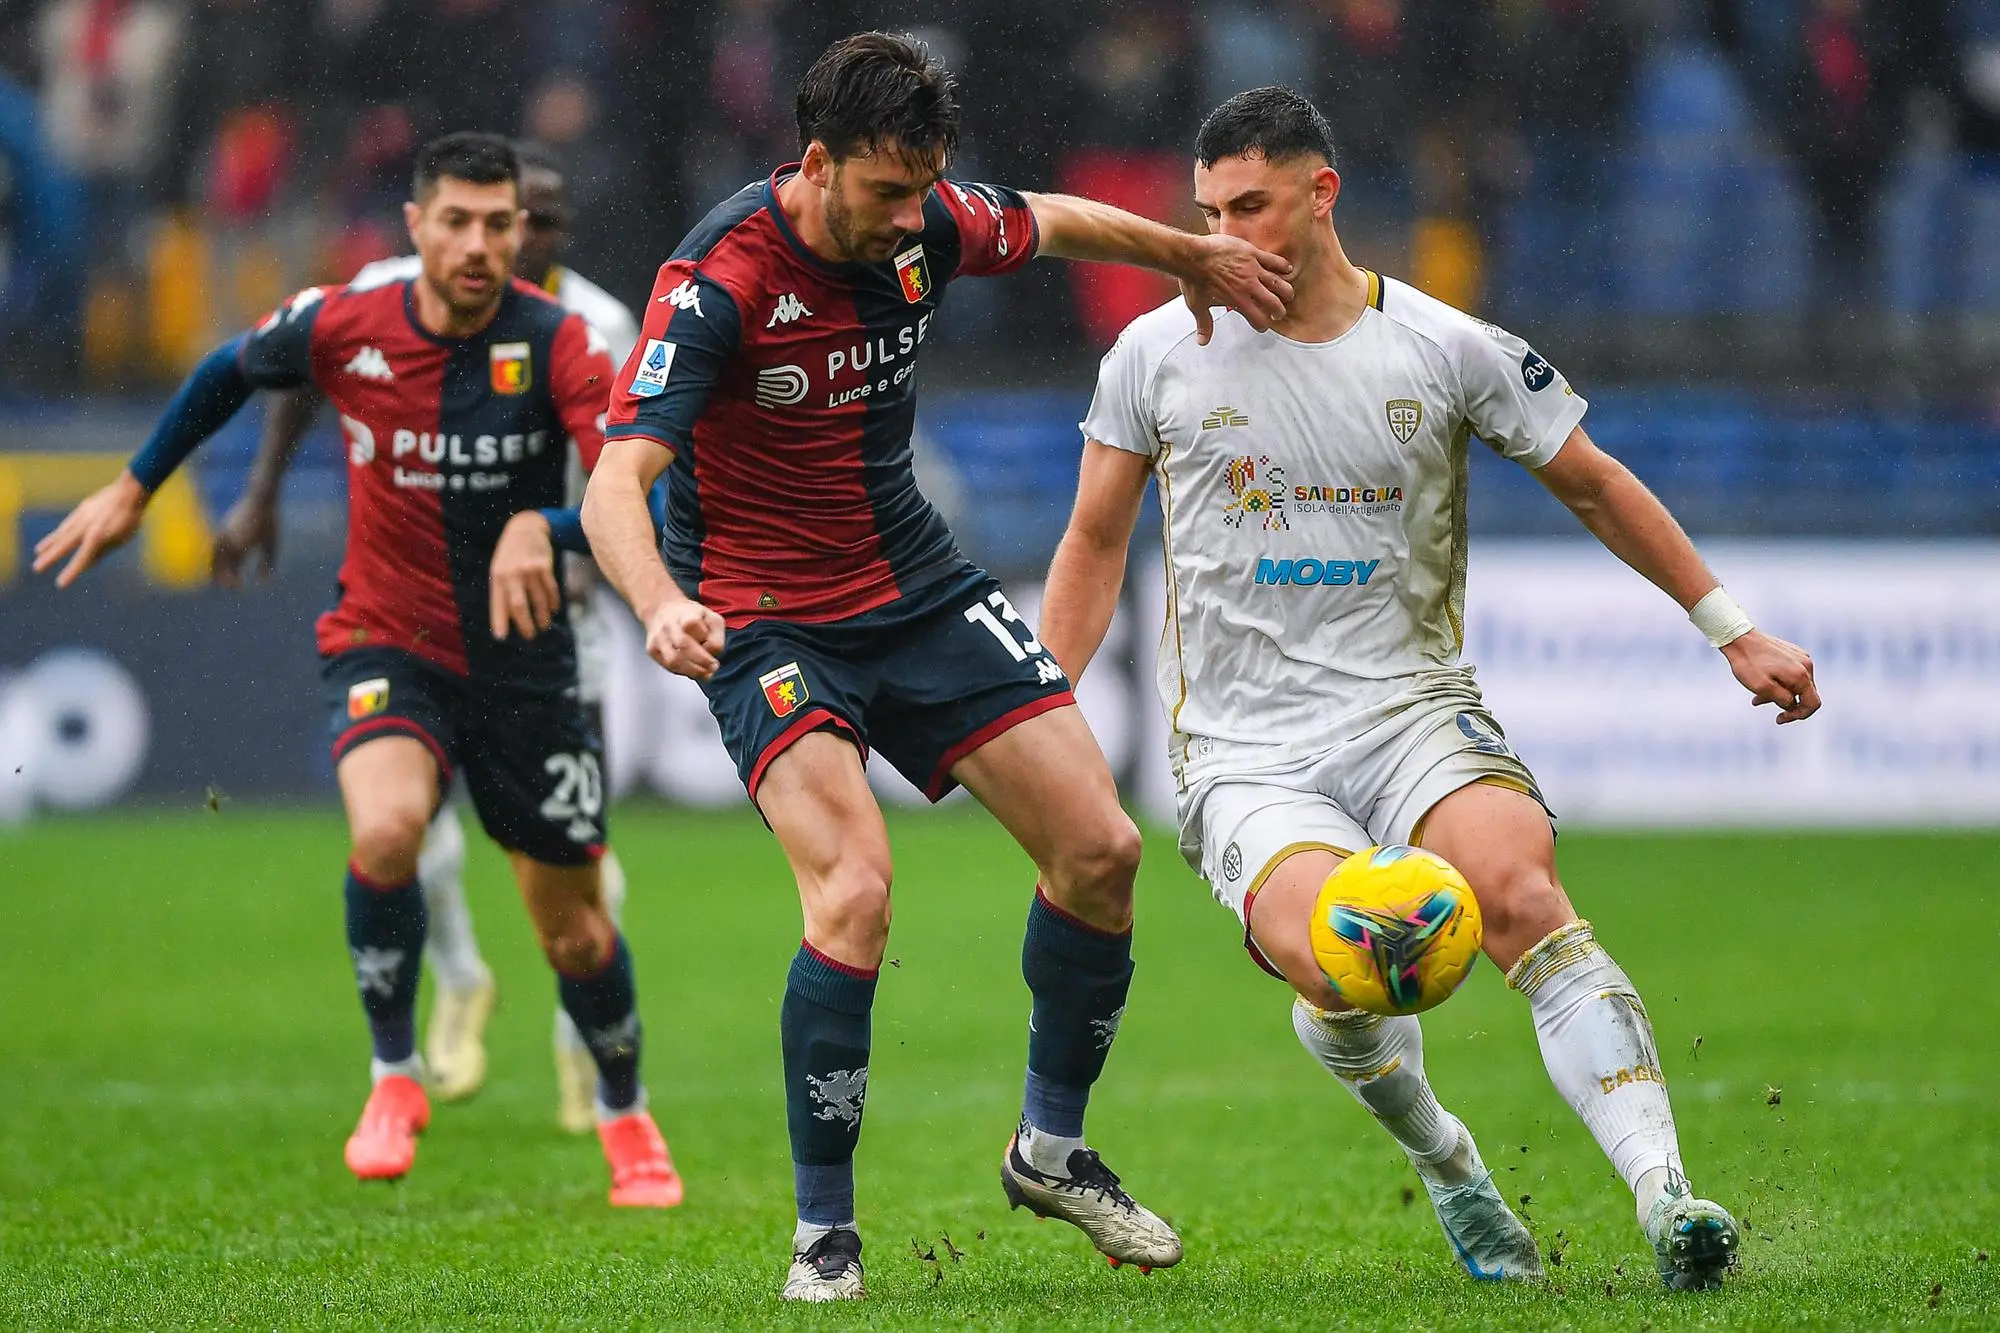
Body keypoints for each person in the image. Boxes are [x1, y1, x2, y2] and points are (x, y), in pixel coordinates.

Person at [1038, 87, 1821, 1291]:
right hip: (1244, 749)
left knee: (1517, 891)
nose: (1217, 237)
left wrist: (1730, 628)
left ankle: (1667, 1195)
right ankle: (1450, 1165)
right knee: (1344, 960)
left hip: (1410, 709)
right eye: (1203, 213)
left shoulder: (1443, 348)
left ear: (1320, 193)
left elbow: (1596, 484)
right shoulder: (1155, 353)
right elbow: (1093, 540)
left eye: (1247, 207)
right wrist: (1044, 709)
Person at [581, 32, 1292, 1302]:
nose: (913, 220)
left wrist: (1190, 256)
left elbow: (1055, 219)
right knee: (852, 889)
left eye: (925, 191)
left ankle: (1051, 1148)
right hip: (760, 615)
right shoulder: (717, 283)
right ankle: (823, 1238)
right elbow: (614, 484)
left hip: (910, 582)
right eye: (884, 194)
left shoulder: (927, 220)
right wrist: (655, 601)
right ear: (813, 163)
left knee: (1101, 849)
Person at [34, 132, 683, 1208]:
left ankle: (625, 1113)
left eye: (498, 224)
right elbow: (227, 373)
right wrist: (136, 487)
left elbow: (634, 495)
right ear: (417, 227)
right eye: (458, 222)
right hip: (391, 638)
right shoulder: (348, 319)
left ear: (519, 233)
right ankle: (394, 1079)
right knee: (386, 829)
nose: (479, 245)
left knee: (573, 924)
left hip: (529, 665)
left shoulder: (565, 343)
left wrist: (549, 524)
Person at [210, 141, 642, 1135]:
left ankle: (583, 1051)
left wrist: (586, 552)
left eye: (537, 222)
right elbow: (302, 370)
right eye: (496, 217)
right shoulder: (386, 294)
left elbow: (630, 473)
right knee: (407, 824)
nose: (516, 238)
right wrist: (264, 489)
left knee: (577, 855)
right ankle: (457, 977)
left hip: (557, 615)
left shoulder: (601, 325)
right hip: (417, 613)